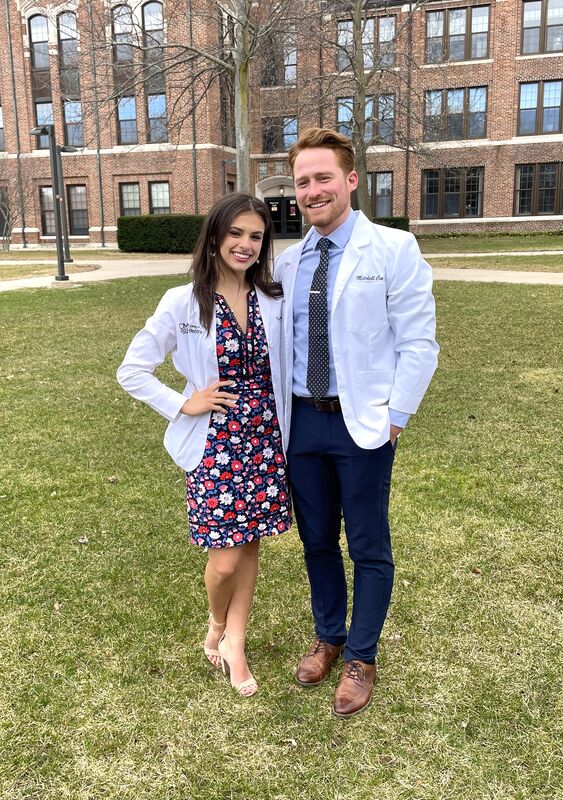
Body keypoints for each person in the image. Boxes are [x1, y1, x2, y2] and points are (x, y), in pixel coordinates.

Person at [274, 128, 439, 718]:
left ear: (350, 180)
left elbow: (419, 343)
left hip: (362, 424)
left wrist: (396, 416)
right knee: (317, 540)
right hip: (302, 423)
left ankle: (361, 656)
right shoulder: (289, 261)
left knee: (368, 543)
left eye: (323, 178)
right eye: (302, 182)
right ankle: (329, 635)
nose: (312, 190)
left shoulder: (394, 249)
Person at [117, 193, 292, 698]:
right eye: (236, 233)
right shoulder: (183, 301)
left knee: (251, 543)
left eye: (256, 236)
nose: (245, 245)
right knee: (224, 559)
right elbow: (131, 371)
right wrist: (183, 403)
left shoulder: (272, 300)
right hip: (216, 444)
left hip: (264, 439)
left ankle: (235, 640)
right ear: (215, 237)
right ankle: (217, 623)